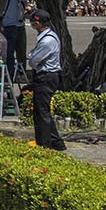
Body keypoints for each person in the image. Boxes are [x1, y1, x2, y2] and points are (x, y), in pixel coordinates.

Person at [26, 8, 66, 151]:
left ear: (41, 23)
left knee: (41, 111)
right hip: (46, 75)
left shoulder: (47, 40)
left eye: (35, 22)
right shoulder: (46, 37)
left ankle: (44, 143)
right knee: (41, 110)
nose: (32, 24)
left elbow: (33, 60)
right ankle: (56, 141)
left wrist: (31, 57)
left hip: (46, 76)